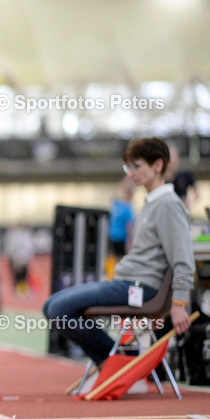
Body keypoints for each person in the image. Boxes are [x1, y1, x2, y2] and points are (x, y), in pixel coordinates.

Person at [43, 138, 193, 369]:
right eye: (128, 167)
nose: (131, 173)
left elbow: (183, 258)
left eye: (137, 166)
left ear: (158, 165)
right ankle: (112, 360)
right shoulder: (152, 202)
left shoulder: (168, 205)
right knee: (50, 306)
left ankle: (120, 362)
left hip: (139, 288)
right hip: (128, 282)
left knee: (58, 310)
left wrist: (179, 303)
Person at [109, 176, 135, 258]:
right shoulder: (127, 207)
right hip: (122, 239)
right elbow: (130, 226)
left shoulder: (116, 204)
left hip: (112, 237)